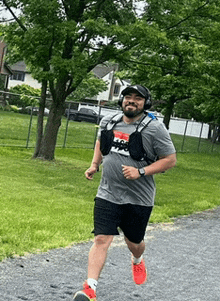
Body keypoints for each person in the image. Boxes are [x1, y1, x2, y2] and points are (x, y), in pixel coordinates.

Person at [73, 85, 176, 301]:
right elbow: (102, 142)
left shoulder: (155, 128)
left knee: (134, 243)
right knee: (101, 238)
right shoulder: (109, 121)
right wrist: (94, 164)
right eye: (128, 97)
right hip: (108, 193)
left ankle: (137, 260)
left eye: (137, 98)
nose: (131, 101)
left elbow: (170, 160)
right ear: (122, 100)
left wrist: (141, 171)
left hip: (139, 198)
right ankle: (90, 288)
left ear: (145, 103)